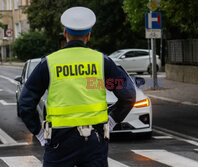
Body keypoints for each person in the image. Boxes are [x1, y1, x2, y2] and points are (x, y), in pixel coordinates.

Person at [19, 6, 136, 167]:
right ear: (88, 36)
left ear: (65, 34)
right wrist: (111, 120)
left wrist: (39, 133)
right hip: (95, 139)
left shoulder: (49, 63)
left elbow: (25, 104)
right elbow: (128, 95)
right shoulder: (102, 62)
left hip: (59, 140)